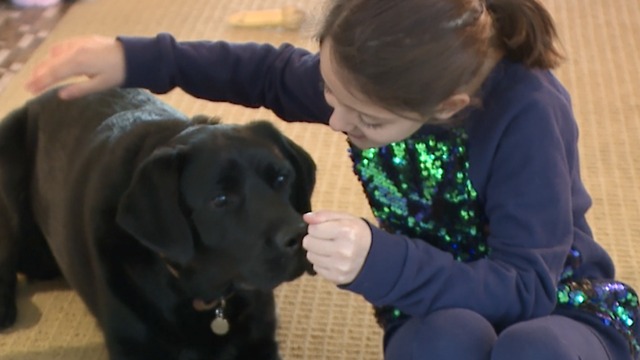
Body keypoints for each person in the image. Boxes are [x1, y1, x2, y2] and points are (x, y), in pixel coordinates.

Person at [24, 0, 639, 359]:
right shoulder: (366, 83)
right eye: (328, 93)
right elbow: (261, 73)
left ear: (447, 106)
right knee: (445, 340)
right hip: (432, 297)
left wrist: (382, 261)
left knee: (537, 349)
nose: (337, 120)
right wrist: (135, 58)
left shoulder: (527, 114)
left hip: (553, 294)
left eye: (365, 119)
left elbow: (525, 287)